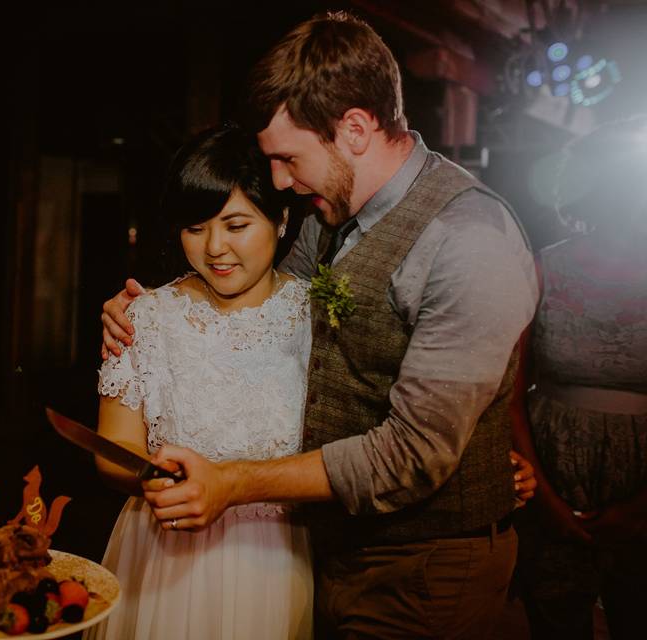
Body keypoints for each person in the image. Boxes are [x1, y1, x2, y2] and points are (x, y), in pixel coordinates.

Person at [101, 12, 539, 638]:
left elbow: (414, 455)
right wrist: (138, 312)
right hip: (330, 554)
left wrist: (233, 482)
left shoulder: (469, 240)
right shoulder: (327, 219)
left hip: (426, 568)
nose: (278, 179)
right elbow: (243, 293)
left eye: (287, 158)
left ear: (355, 128)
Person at [86, 123, 315, 640]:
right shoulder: (142, 316)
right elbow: (110, 449)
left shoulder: (316, 318)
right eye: (196, 228)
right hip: (166, 553)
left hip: (276, 556)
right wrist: (154, 478)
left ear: (280, 220)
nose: (215, 248)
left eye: (236, 225)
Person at [511, 115, 647, 640]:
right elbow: (512, 394)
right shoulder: (544, 269)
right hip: (552, 484)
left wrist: (640, 511)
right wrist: (545, 500)